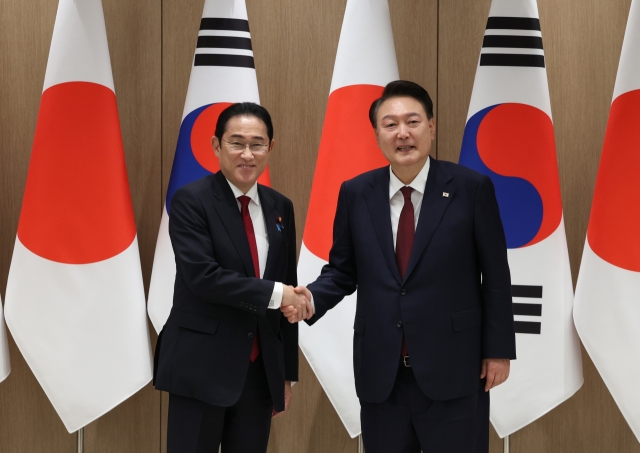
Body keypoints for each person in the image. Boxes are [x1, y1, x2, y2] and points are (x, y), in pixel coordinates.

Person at [286, 80, 516, 453]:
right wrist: (310, 298)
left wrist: (498, 350)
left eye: (412, 121)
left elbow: (495, 275)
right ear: (377, 133)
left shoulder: (470, 188)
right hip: (383, 373)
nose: (403, 133)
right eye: (390, 124)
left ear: (431, 127)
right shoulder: (356, 193)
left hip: (455, 368)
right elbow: (343, 271)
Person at [154, 102, 311, 453]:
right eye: (236, 142)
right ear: (216, 146)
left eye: (257, 144)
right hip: (201, 366)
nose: (247, 154)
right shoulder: (191, 201)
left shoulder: (280, 207)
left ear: (270, 148)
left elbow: (287, 281)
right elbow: (204, 277)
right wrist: (279, 294)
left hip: (258, 372)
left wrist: (284, 375)